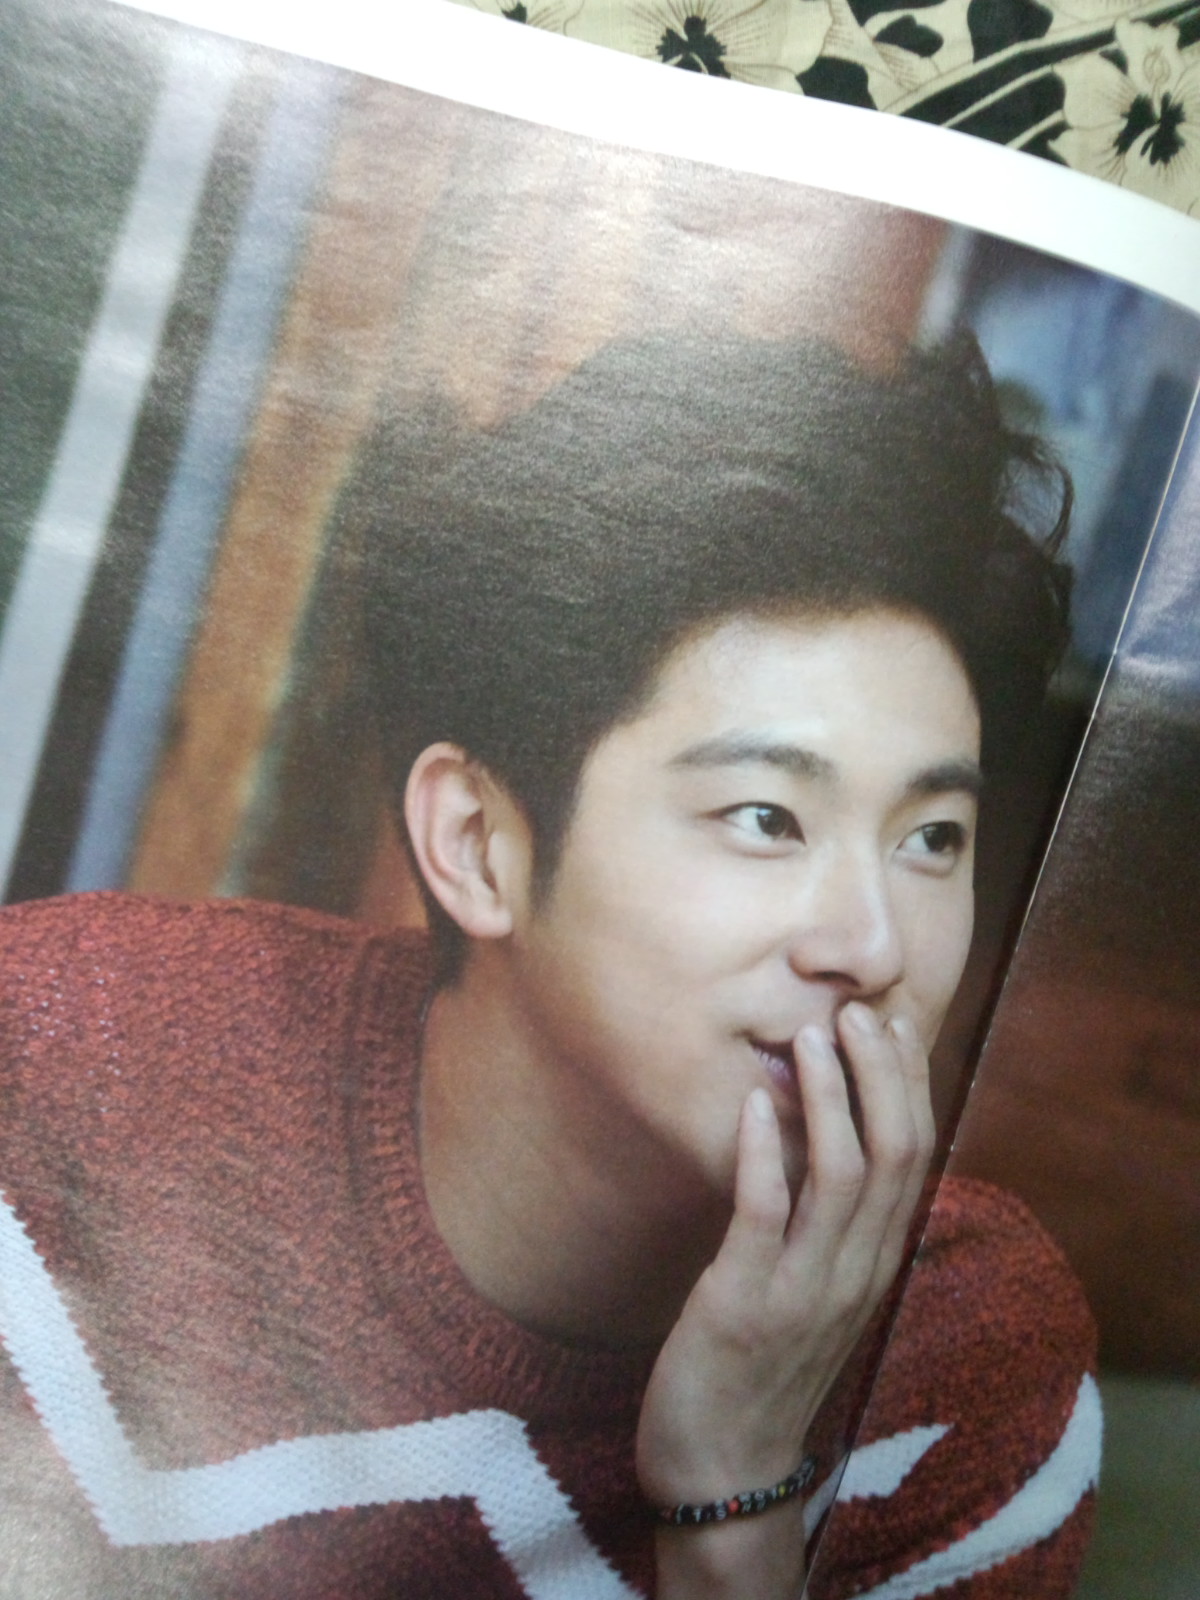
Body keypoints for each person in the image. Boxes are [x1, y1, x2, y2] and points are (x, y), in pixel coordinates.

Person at [0, 333, 1096, 1600]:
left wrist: (735, 1487)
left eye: (931, 838)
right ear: (479, 845)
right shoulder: (54, 1067)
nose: (873, 947)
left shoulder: (967, 1366)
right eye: (765, 818)